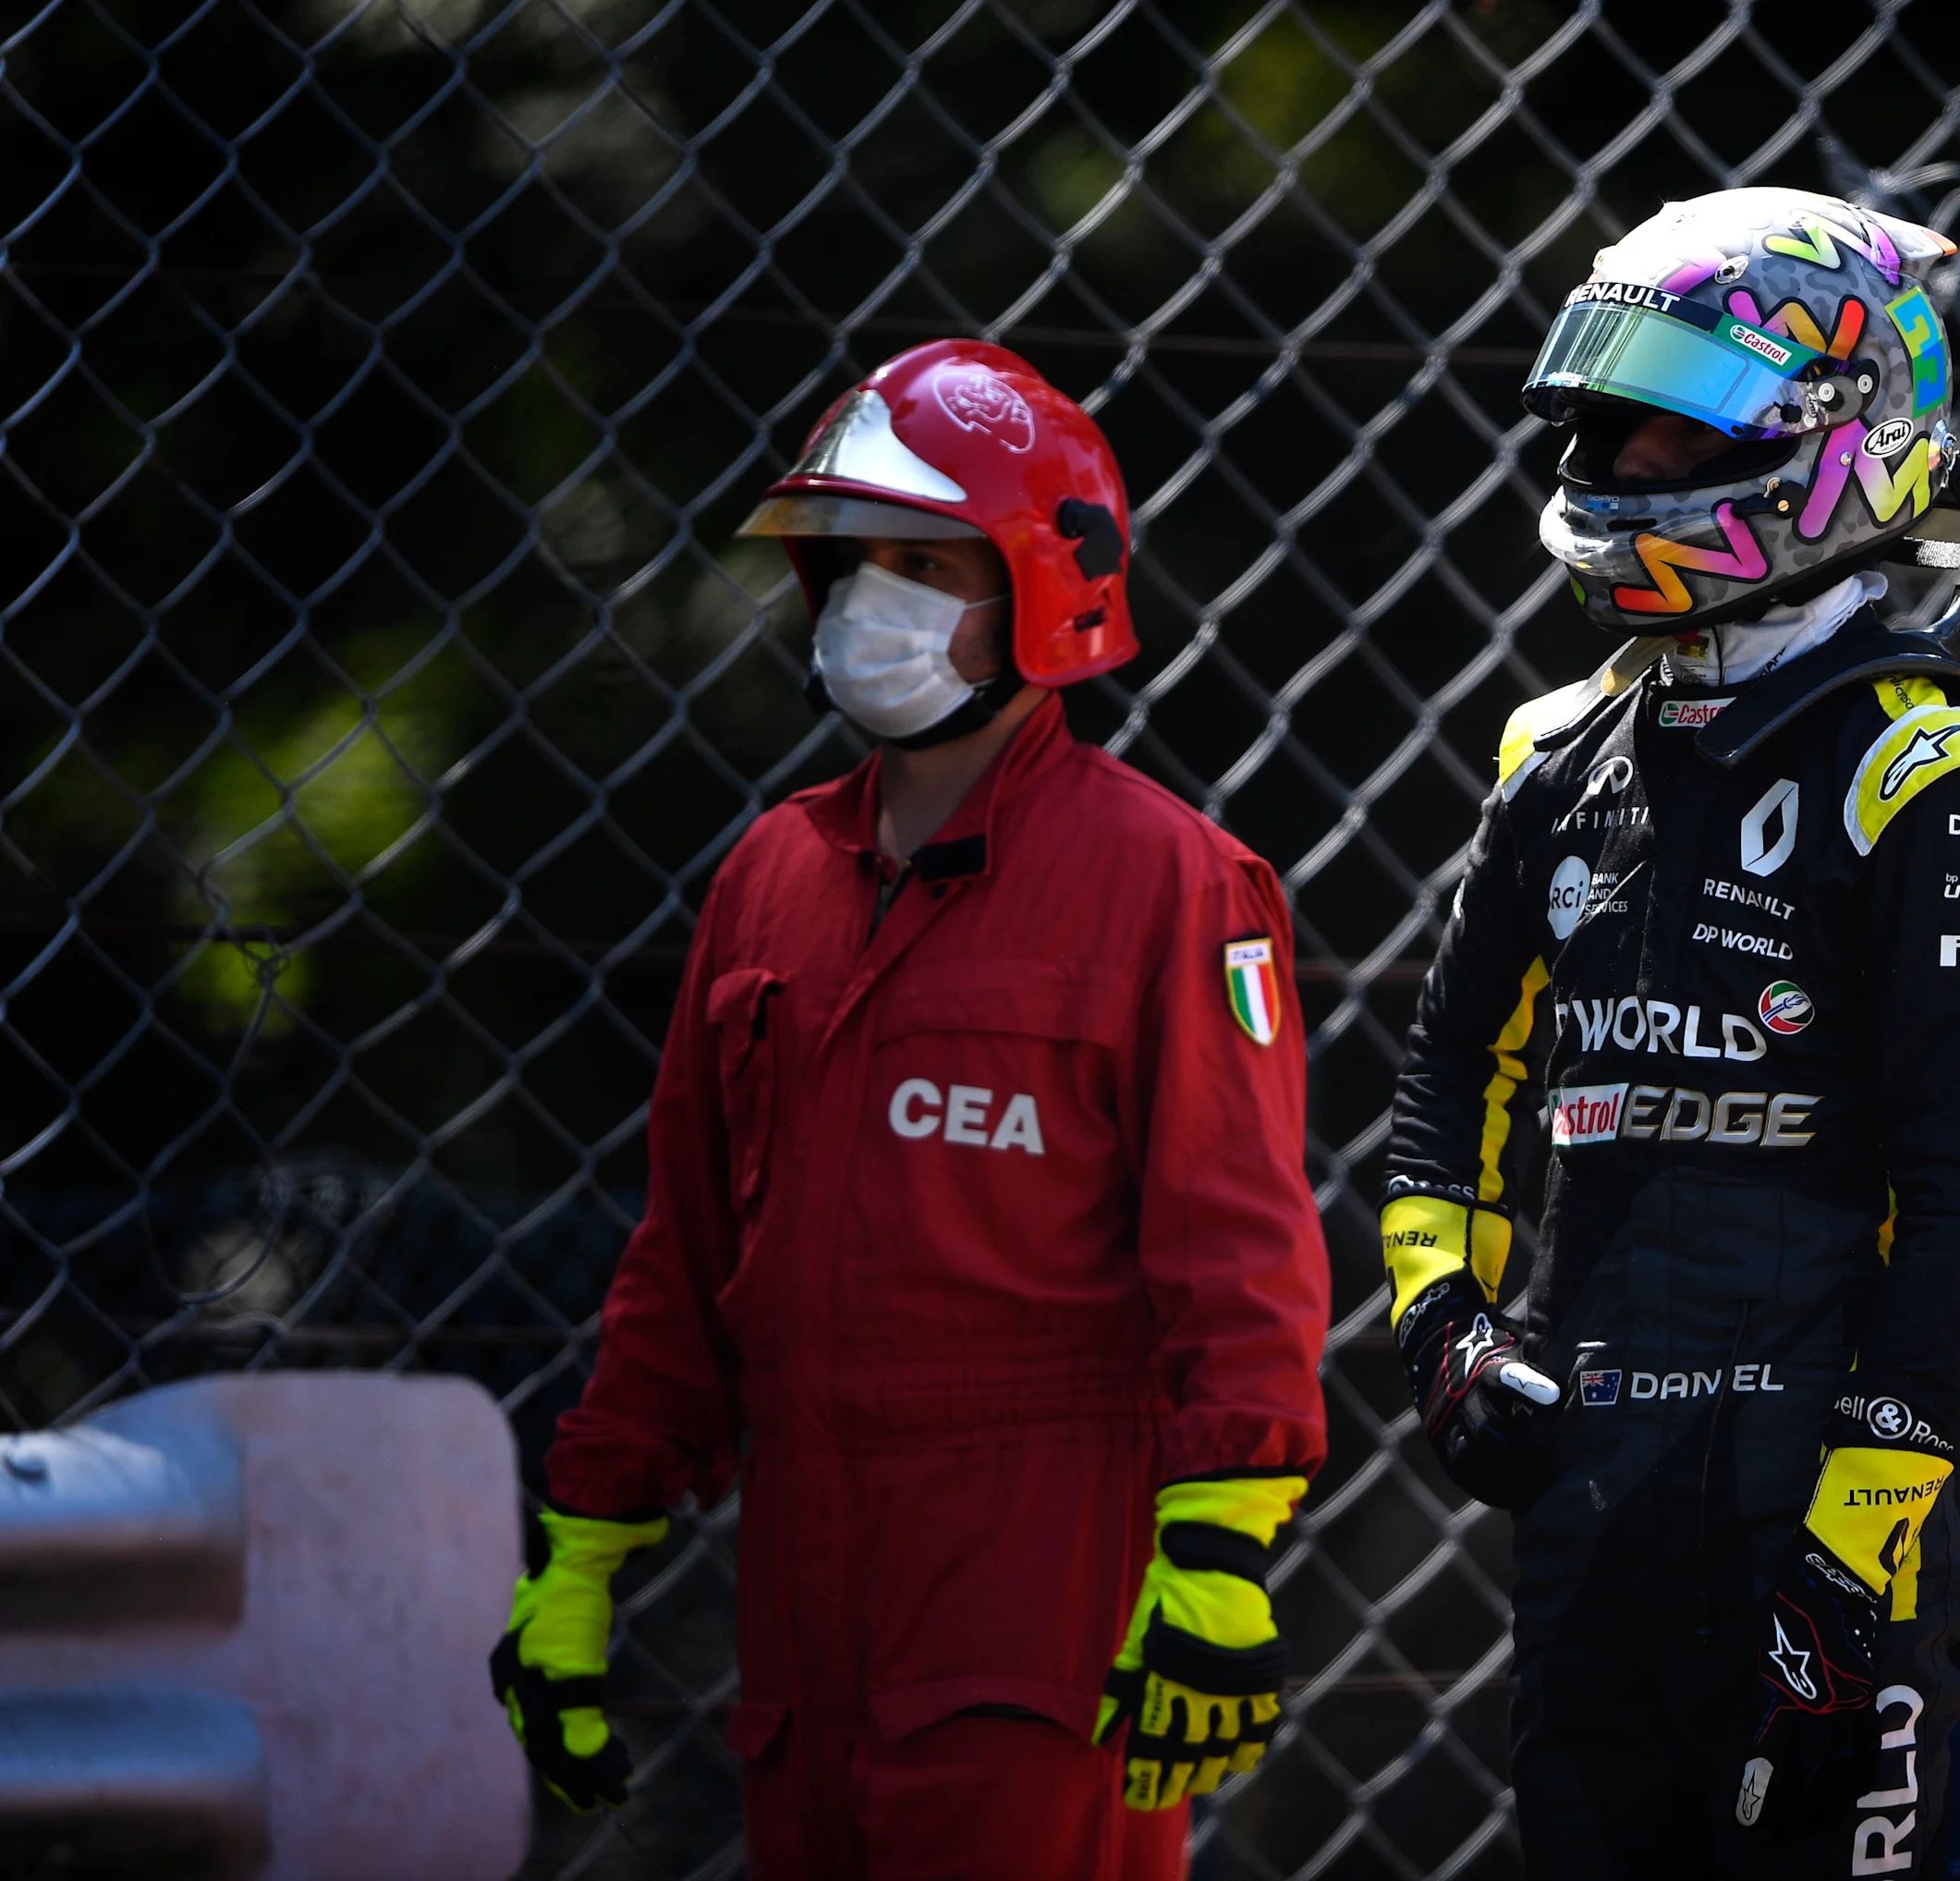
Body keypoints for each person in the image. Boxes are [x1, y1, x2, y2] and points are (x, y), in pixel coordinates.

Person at [489, 339, 1331, 1880]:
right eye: (856, 557)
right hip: (804, 1573)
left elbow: (1239, 1244)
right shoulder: (768, 880)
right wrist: (586, 1542)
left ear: (1042, 585)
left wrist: (1216, 1552)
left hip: (1040, 1566)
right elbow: (682, 1256)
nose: (876, 598)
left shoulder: (1170, 883)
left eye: (928, 560)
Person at [1381, 189, 1960, 1877]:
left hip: (1820, 1514)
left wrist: (1856, 1545)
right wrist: (1444, 1329)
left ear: (1830, 437)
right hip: (1591, 1491)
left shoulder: (1932, 777)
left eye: (1658, 429)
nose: (1607, 473)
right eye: (1594, 431)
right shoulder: (1556, 756)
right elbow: (1446, 1080)